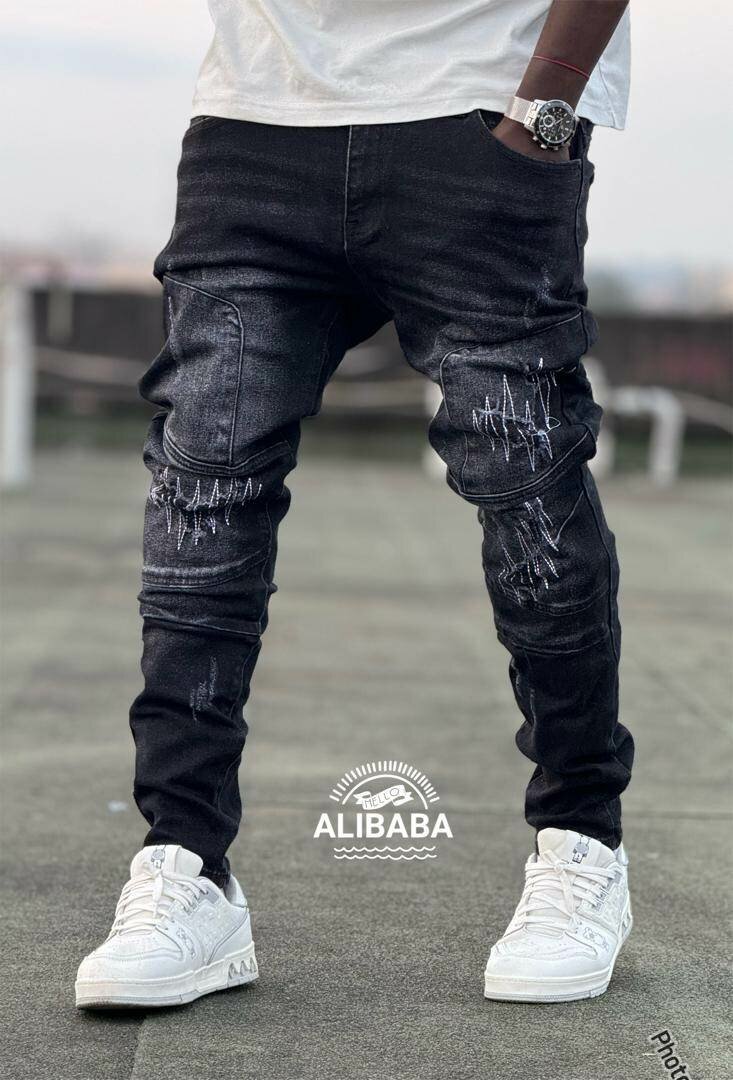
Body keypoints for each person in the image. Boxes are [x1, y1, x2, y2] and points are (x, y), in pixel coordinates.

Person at [75, 0, 634, 1008]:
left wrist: (545, 111)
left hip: (480, 108)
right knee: (204, 493)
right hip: (257, 116)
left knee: (527, 491)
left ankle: (580, 840)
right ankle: (186, 863)